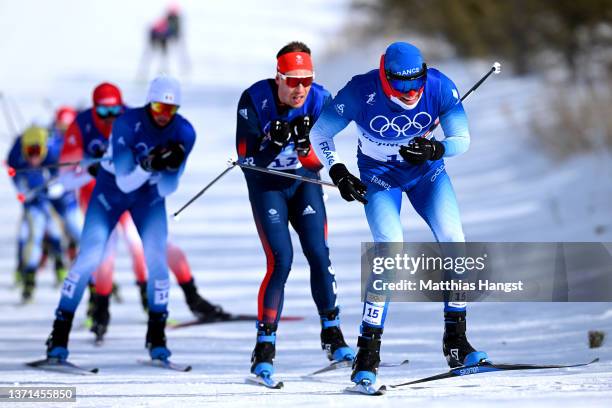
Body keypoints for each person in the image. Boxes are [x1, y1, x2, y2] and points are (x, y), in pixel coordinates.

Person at [310, 42, 489, 387]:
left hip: (427, 174)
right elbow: (320, 133)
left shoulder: (437, 86)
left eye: (415, 83)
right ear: (384, 77)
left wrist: (438, 147)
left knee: (455, 241)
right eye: (401, 85)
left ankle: (456, 341)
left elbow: (462, 138)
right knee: (390, 250)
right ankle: (367, 352)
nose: (410, 93)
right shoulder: (361, 90)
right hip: (380, 178)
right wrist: (338, 172)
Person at [60, 82, 228, 341]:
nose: (110, 117)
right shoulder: (83, 126)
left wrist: (165, 165)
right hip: (101, 194)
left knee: (148, 248)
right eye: (103, 112)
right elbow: (66, 179)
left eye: (115, 110)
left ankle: (182, 299)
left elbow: (164, 184)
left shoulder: (143, 121)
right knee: (102, 254)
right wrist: (88, 172)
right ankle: (100, 308)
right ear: (93, 110)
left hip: (138, 194)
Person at [45, 76, 195, 363]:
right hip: (110, 193)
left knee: (156, 261)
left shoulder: (185, 132)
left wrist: (167, 167)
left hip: (148, 198)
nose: (163, 116)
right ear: (148, 104)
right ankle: (59, 335)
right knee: (89, 258)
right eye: (158, 108)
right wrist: (148, 165)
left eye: (170, 110)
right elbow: (125, 182)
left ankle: (157, 337)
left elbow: (167, 188)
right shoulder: (126, 123)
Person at [236, 41, 354, 382]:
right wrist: (271, 142)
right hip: (267, 185)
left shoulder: (321, 99)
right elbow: (247, 162)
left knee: (319, 253)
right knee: (281, 260)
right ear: (278, 79)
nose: (300, 88)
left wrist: (304, 146)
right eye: (292, 80)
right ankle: (264, 348)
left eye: (306, 79)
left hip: (304, 182)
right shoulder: (254, 100)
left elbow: (321, 162)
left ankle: (333, 336)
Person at [7, 125, 62, 301]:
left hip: (51, 202)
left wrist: (53, 188)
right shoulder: (16, 157)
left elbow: (61, 177)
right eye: (29, 151)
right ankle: (28, 280)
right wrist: (22, 189)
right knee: (32, 236)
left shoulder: (53, 155)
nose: (33, 156)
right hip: (33, 205)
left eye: (37, 151)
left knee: (56, 231)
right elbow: (14, 175)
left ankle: (60, 266)